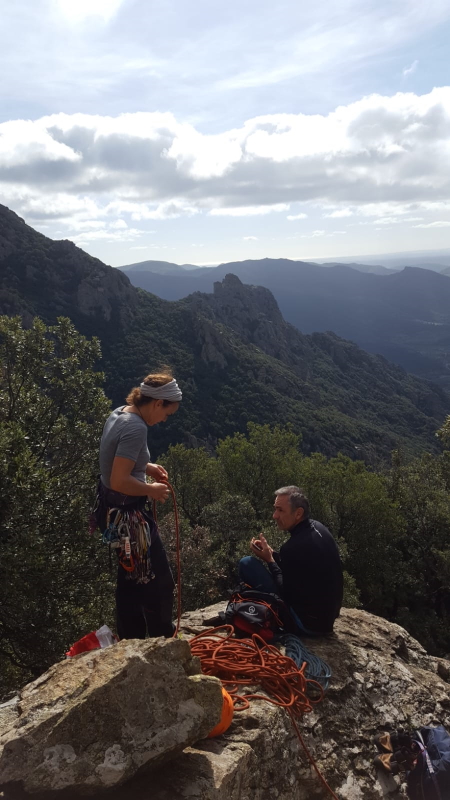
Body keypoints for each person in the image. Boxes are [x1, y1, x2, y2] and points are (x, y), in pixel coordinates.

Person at [94, 371, 181, 640]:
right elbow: (120, 480)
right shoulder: (137, 427)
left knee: (130, 577)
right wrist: (150, 489)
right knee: (159, 580)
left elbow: (114, 459)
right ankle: (162, 638)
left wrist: (146, 467)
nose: (164, 420)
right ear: (157, 403)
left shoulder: (120, 412)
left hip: (112, 511)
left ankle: (130, 638)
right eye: (166, 413)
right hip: (129, 517)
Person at [239, 486, 343, 635]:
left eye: (280, 510)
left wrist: (269, 560)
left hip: (306, 625)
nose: (275, 515)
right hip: (326, 621)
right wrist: (272, 553)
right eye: (275, 509)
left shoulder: (293, 547)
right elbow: (297, 567)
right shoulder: (319, 528)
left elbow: (284, 591)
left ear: (298, 513)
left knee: (246, 564)